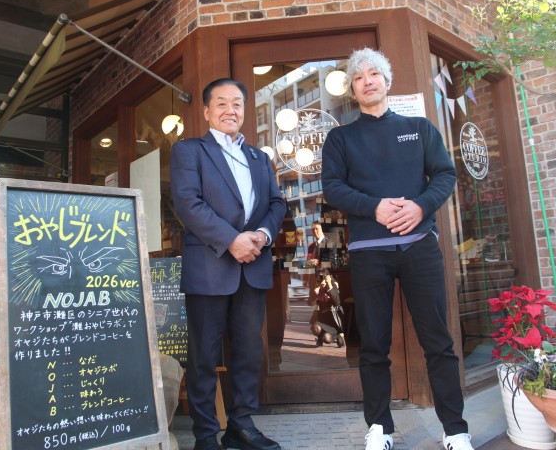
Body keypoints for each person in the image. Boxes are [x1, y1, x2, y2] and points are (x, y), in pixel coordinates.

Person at [321, 48, 473, 450]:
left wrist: (421, 206)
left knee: (438, 341)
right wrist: (374, 206)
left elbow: (444, 174)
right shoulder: (340, 138)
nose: (367, 81)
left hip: (419, 246)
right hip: (369, 252)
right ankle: (379, 428)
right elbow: (332, 188)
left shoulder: (419, 128)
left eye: (373, 74)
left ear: (386, 81)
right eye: (358, 77)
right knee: (373, 343)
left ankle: (455, 430)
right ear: (352, 90)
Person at [170, 78, 287, 450]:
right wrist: (232, 240)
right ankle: (206, 434)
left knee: (248, 352)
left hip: (253, 266)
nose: (230, 110)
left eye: (237, 103)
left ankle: (241, 425)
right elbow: (188, 203)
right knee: (204, 355)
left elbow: (277, 204)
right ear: (206, 112)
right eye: (221, 103)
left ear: (244, 111)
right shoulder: (189, 151)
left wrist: (262, 236)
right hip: (209, 267)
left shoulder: (259, 158)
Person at [307, 268, 345, 347]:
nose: (321, 280)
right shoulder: (316, 285)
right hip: (322, 318)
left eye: (323, 277)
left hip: (333, 319)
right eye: (319, 277)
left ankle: (337, 335)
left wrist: (330, 286)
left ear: (327, 277)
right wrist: (315, 293)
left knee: (327, 339)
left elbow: (337, 302)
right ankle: (320, 338)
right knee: (315, 328)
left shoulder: (334, 284)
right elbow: (310, 303)